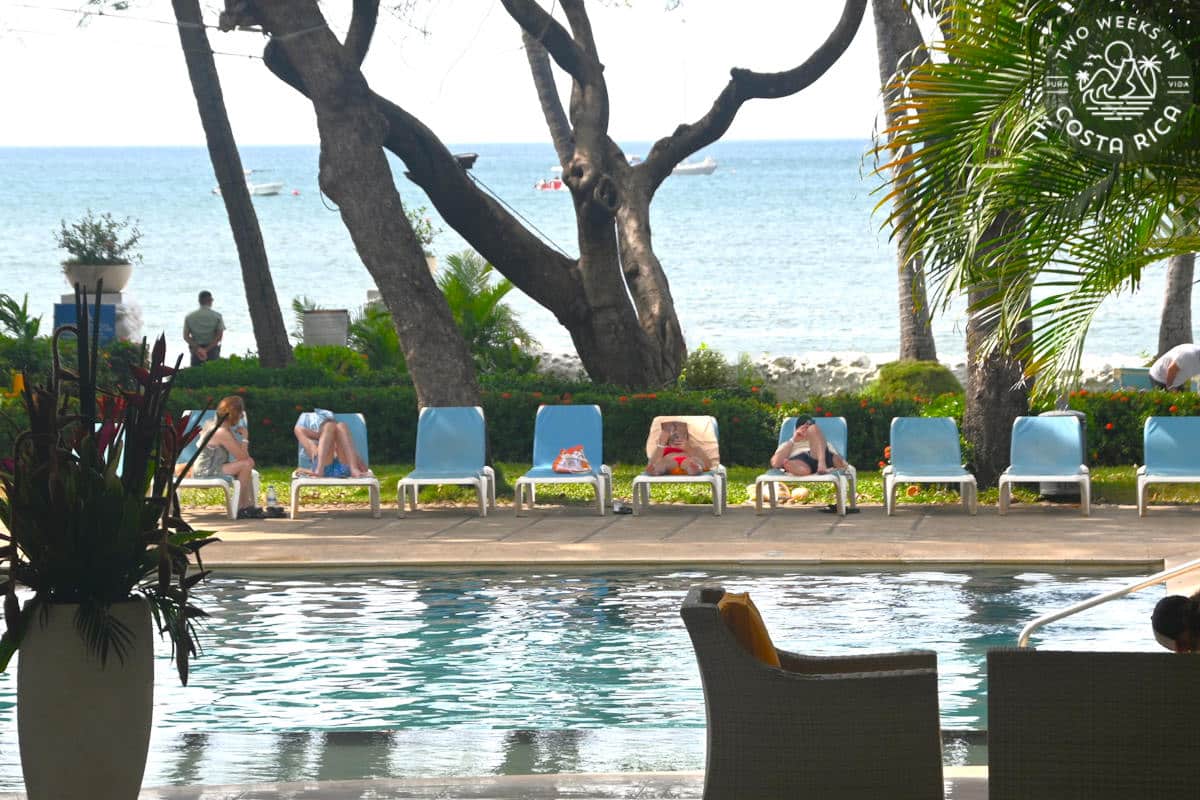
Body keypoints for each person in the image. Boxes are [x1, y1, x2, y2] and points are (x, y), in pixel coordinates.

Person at [191, 395, 261, 519]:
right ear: (235, 414)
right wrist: (245, 437)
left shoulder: (220, 427)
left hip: (210, 468)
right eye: (240, 414)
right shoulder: (221, 432)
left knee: (247, 464)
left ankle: (247, 505)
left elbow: (244, 457)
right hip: (205, 472)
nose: (241, 417)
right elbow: (242, 457)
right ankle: (241, 507)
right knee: (247, 464)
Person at [293, 409, 372, 478]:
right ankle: (319, 470)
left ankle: (353, 469)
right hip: (323, 468)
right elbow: (298, 429)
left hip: (344, 468)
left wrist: (358, 464)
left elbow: (363, 468)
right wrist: (317, 438)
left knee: (341, 426)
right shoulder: (315, 448)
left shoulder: (347, 447)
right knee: (330, 425)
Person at [770, 415, 848, 476]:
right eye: (803, 427)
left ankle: (821, 464)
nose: (806, 429)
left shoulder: (821, 440)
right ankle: (792, 466)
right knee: (801, 466)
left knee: (835, 458)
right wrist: (793, 440)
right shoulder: (788, 444)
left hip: (820, 456)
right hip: (801, 460)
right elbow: (775, 463)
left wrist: (838, 461)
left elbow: (837, 458)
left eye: (808, 427)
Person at [183, 290, 225, 367]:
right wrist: (206, 350)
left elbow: (186, 336)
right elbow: (219, 337)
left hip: (196, 351)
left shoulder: (189, 317)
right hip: (212, 351)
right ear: (210, 301)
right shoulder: (217, 316)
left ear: (199, 301)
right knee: (213, 372)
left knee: (196, 374)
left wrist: (199, 349)